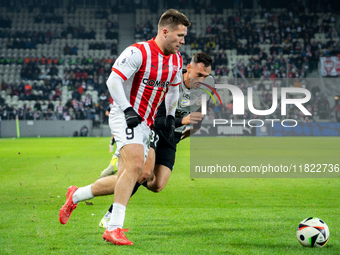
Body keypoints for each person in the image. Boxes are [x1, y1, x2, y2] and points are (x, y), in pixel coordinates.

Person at [59, 9, 190, 246]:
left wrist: (169, 117)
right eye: (180, 35)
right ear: (165, 31)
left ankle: (76, 195)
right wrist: (128, 109)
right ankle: (114, 227)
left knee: (141, 174)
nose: (183, 41)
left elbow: (172, 89)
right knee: (136, 165)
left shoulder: (176, 60)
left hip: (147, 123)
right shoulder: (138, 52)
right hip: (124, 116)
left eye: (184, 36)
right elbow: (113, 80)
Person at [98, 52, 213, 228]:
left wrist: (193, 127)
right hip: (154, 132)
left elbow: (198, 115)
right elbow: (157, 120)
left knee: (157, 184)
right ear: (188, 68)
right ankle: (110, 214)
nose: (202, 80)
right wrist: (182, 121)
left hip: (172, 137)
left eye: (205, 76)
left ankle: (125, 175)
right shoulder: (171, 84)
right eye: (199, 75)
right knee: (142, 174)